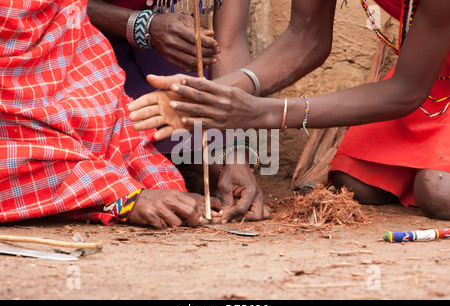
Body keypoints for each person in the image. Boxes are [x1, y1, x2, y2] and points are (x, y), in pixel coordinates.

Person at [128, 0, 450, 220]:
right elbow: (305, 38)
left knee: (436, 190)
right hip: (433, 72)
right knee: (357, 183)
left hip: (416, 82)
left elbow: (406, 90)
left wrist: (265, 113)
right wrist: (203, 97)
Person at [0, 0, 230, 229]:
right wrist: (121, 197)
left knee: (196, 156)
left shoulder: (68, 18)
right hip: (139, 40)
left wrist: (163, 186)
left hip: (153, 55)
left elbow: (117, 130)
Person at [87, 0, 271, 224]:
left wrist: (235, 154)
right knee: (104, 134)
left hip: (161, 54)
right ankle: (149, 183)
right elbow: (55, 7)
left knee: (216, 160)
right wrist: (144, 26)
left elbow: (228, 44)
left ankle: (188, 171)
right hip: (71, 48)